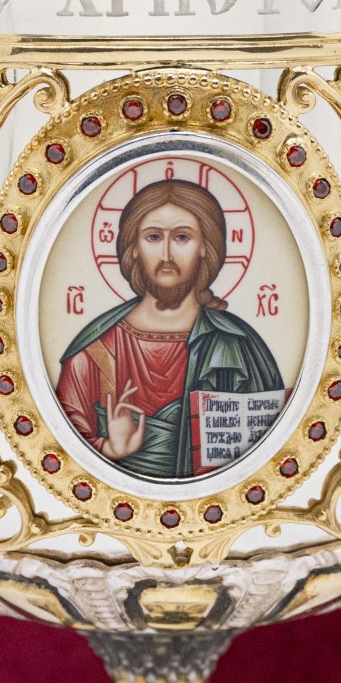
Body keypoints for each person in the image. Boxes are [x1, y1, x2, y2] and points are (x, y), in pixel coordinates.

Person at [56, 178, 283, 480]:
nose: (166, 255)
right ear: (133, 249)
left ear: (205, 248)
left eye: (182, 237)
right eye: (153, 237)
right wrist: (108, 448)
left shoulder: (239, 347)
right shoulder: (94, 353)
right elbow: (62, 447)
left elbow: (268, 447)